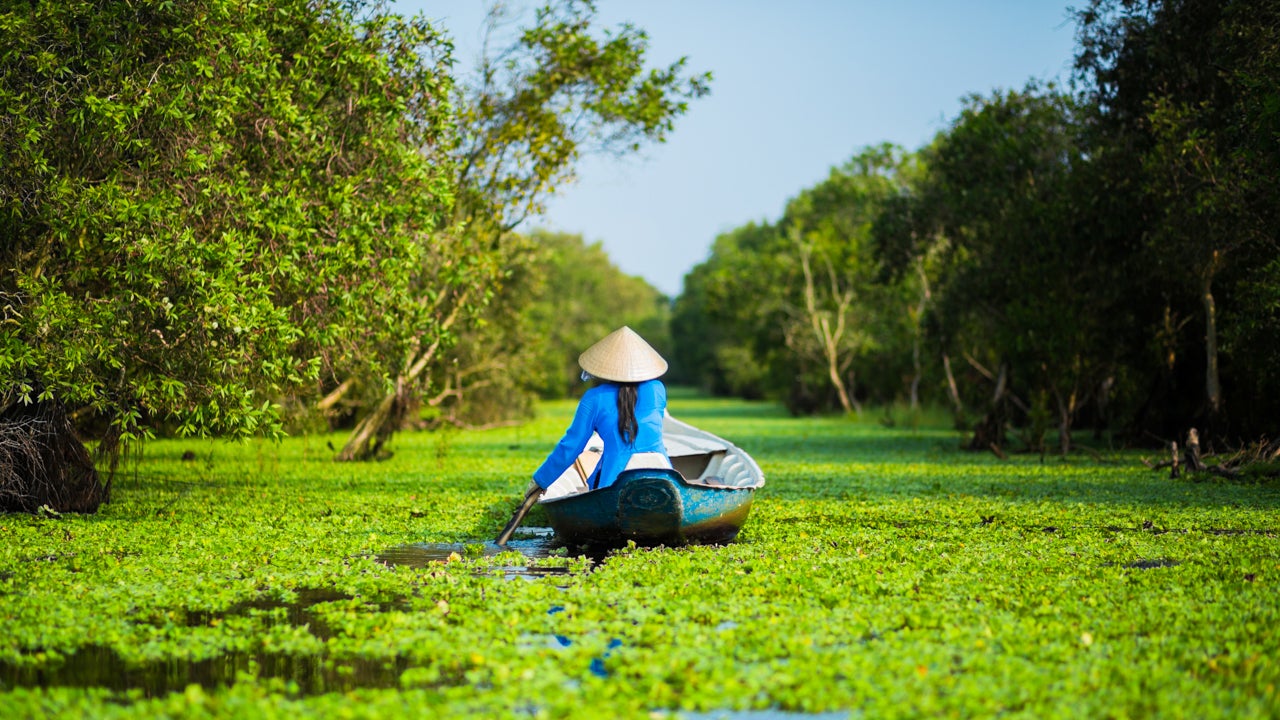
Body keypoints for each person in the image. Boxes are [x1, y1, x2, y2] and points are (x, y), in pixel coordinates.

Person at [531, 326, 671, 495]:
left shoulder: (594, 398)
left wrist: (540, 480)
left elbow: (572, 446)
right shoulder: (658, 389)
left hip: (613, 484)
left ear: (606, 367)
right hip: (664, 476)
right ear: (639, 364)